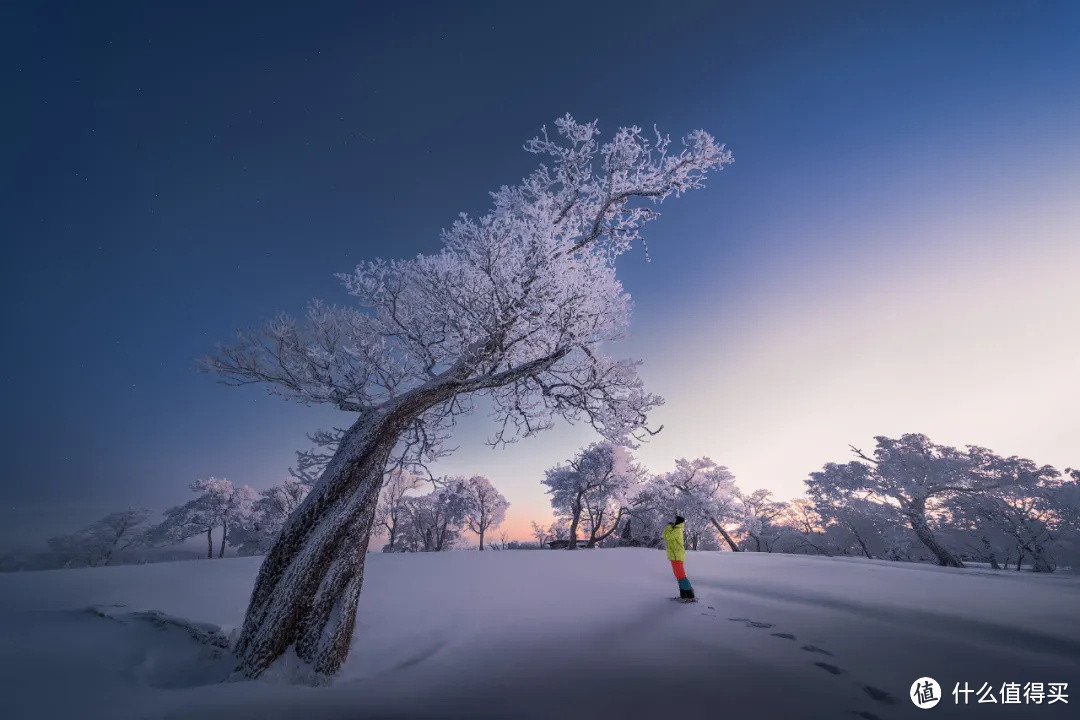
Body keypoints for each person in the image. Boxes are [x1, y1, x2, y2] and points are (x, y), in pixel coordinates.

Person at [662, 515, 695, 601]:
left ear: (678, 521)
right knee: (678, 575)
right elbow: (666, 536)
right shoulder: (675, 529)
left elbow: (667, 537)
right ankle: (683, 595)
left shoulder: (677, 530)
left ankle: (690, 595)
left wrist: (668, 526)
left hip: (677, 555)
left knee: (681, 575)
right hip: (674, 556)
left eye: (675, 519)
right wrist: (669, 527)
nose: (673, 520)